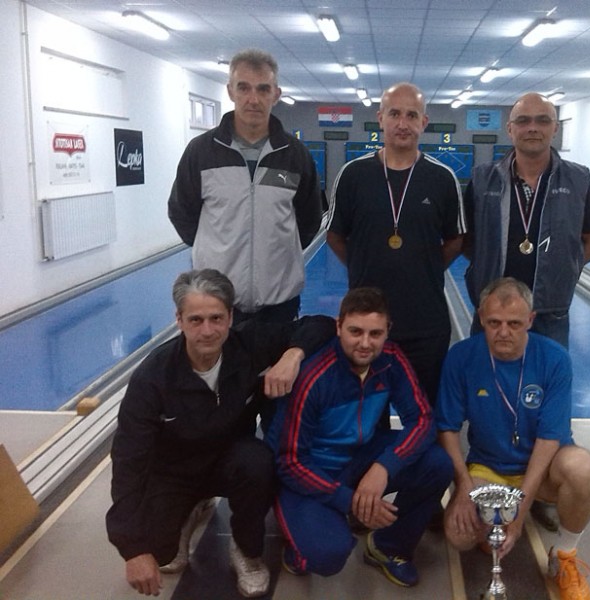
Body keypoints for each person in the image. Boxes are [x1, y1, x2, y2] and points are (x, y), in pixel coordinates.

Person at [106, 269, 334, 598]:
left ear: (230, 318)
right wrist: (133, 549)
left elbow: (321, 325)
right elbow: (128, 460)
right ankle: (190, 509)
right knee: (158, 551)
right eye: (196, 320)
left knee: (258, 461)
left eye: (216, 318)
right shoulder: (153, 378)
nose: (207, 331)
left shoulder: (249, 344)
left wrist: (292, 355)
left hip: (231, 460)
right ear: (179, 320)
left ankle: (246, 551)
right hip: (175, 472)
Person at [269, 287, 453, 587]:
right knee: (327, 554)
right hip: (312, 471)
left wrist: (384, 468)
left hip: (360, 457)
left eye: (375, 333)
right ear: (339, 326)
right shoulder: (313, 376)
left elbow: (422, 420)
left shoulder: (391, 359)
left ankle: (388, 546)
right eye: (355, 331)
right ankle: (301, 542)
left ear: (388, 331)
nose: (365, 343)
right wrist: (350, 501)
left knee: (438, 463)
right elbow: (289, 463)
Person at [436, 278, 590, 600]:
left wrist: (520, 511)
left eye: (514, 324)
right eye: (494, 323)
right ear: (481, 318)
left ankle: (564, 555)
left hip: (545, 468)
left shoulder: (554, 359)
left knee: (582, 467)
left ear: (531, 320)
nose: (503, 332)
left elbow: (550, 439)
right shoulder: (462, 357)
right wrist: (464, 486)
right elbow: (447, 429)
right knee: (459, 535)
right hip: (489, 468)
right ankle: (494, 521)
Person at [326, 82, 465, 407]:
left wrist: (426, 266)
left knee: (424, 411)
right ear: (381, 118)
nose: (403, 123)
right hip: (366, 323)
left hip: (425, 322)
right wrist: (362, 265)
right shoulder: (353, 174)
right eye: (394, 114)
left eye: (411, 115)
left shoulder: (442, 178)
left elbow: (456, 238)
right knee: (363, 415)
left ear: (423, 122)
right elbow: (334, 234)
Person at [168, 49, 322, 325]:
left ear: (276, 94)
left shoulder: (295, 154)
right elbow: (182, 213)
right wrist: (214, 253)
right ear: (230, 91)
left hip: (279, 301)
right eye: (244, 88)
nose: (253, 99)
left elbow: (309, 220)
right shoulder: (201, 152)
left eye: (263, 89)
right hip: (216, 301)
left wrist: (278, 253)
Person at [464, 92, 590, 349]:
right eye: (523, 120)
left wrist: (565, 268)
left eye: (542, 120)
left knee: (547, 373)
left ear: (555, 128)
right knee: (486, 374)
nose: (532, 127)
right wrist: (483, 265)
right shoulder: (482, 180)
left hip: (551, 310)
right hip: (493, 309)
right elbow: (466, 240)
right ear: (510, 129)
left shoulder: (578, 180)